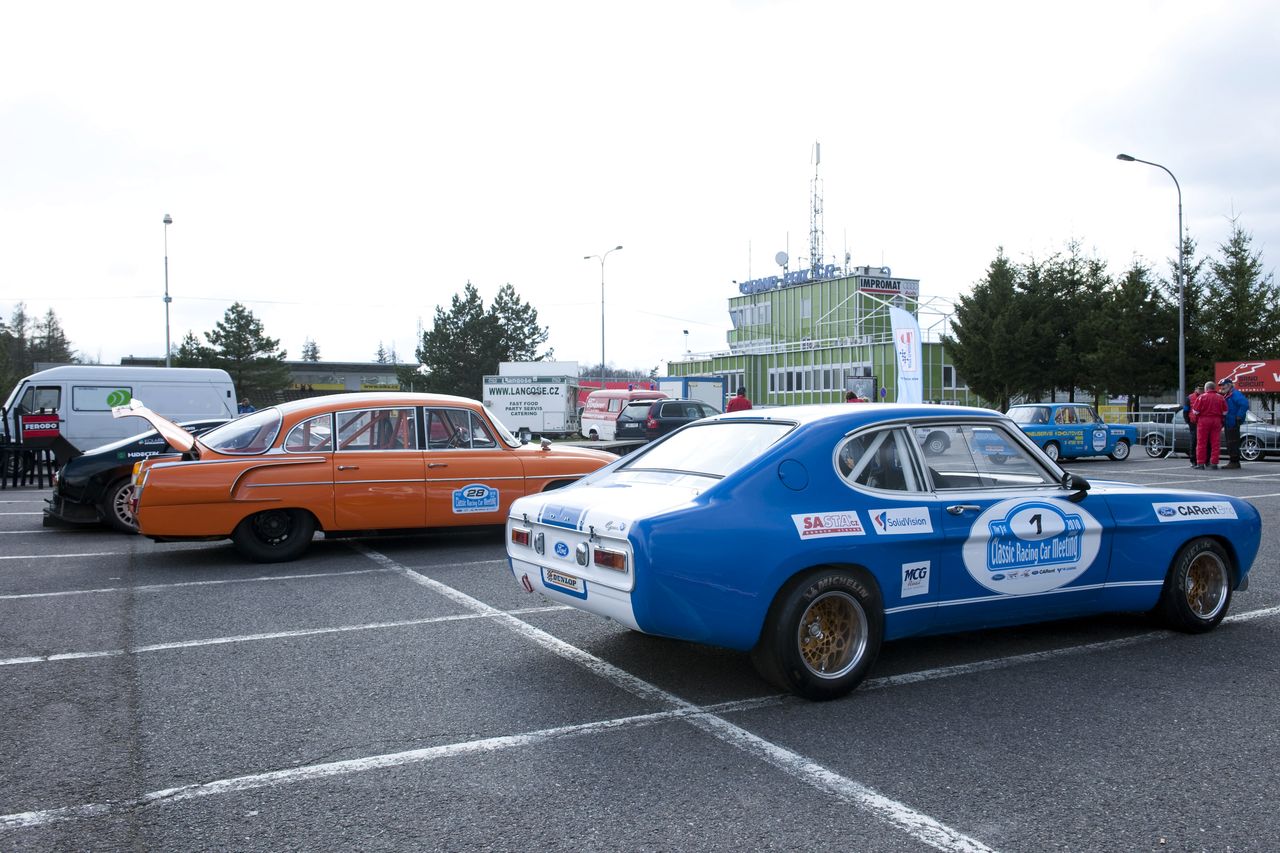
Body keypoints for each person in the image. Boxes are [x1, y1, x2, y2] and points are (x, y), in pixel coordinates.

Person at [1191, 380, 1226, 469]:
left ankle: (1200, 463)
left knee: (1201, 442)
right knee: (1215, 443)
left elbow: (1195, 411)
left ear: (1206, 388)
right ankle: (1214, 463)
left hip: (1204, 420)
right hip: (1217, 420)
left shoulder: (1202, 397)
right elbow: (1225, 411)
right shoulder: (1221, 397)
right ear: (1214, 388)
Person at [1220, 377, 1249, 468]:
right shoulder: (1228, 395)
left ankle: (1234, 461)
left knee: (1232, 442)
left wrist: (1238, 416)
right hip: (1229, 421)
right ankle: (1233, 461)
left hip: (1233, 422)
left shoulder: (1235, 394)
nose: (1222, 387)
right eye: (1221, 386)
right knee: (1230, 442)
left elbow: (1244, 404)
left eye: (1223, 385)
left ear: (1229, 385)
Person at [1184, 387, 1201, 467]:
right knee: (1194, 441)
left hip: (1202, 422)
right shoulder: (1189, 398)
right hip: (1193, 422)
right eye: (1199, 389)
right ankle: (1193, 460)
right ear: (1195, 389)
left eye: (1202, 389)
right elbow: (1185, 410)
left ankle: (1203, 460)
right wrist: (1188, 420)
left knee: (1203, 442)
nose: (1200, 390)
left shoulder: (1205, 396)